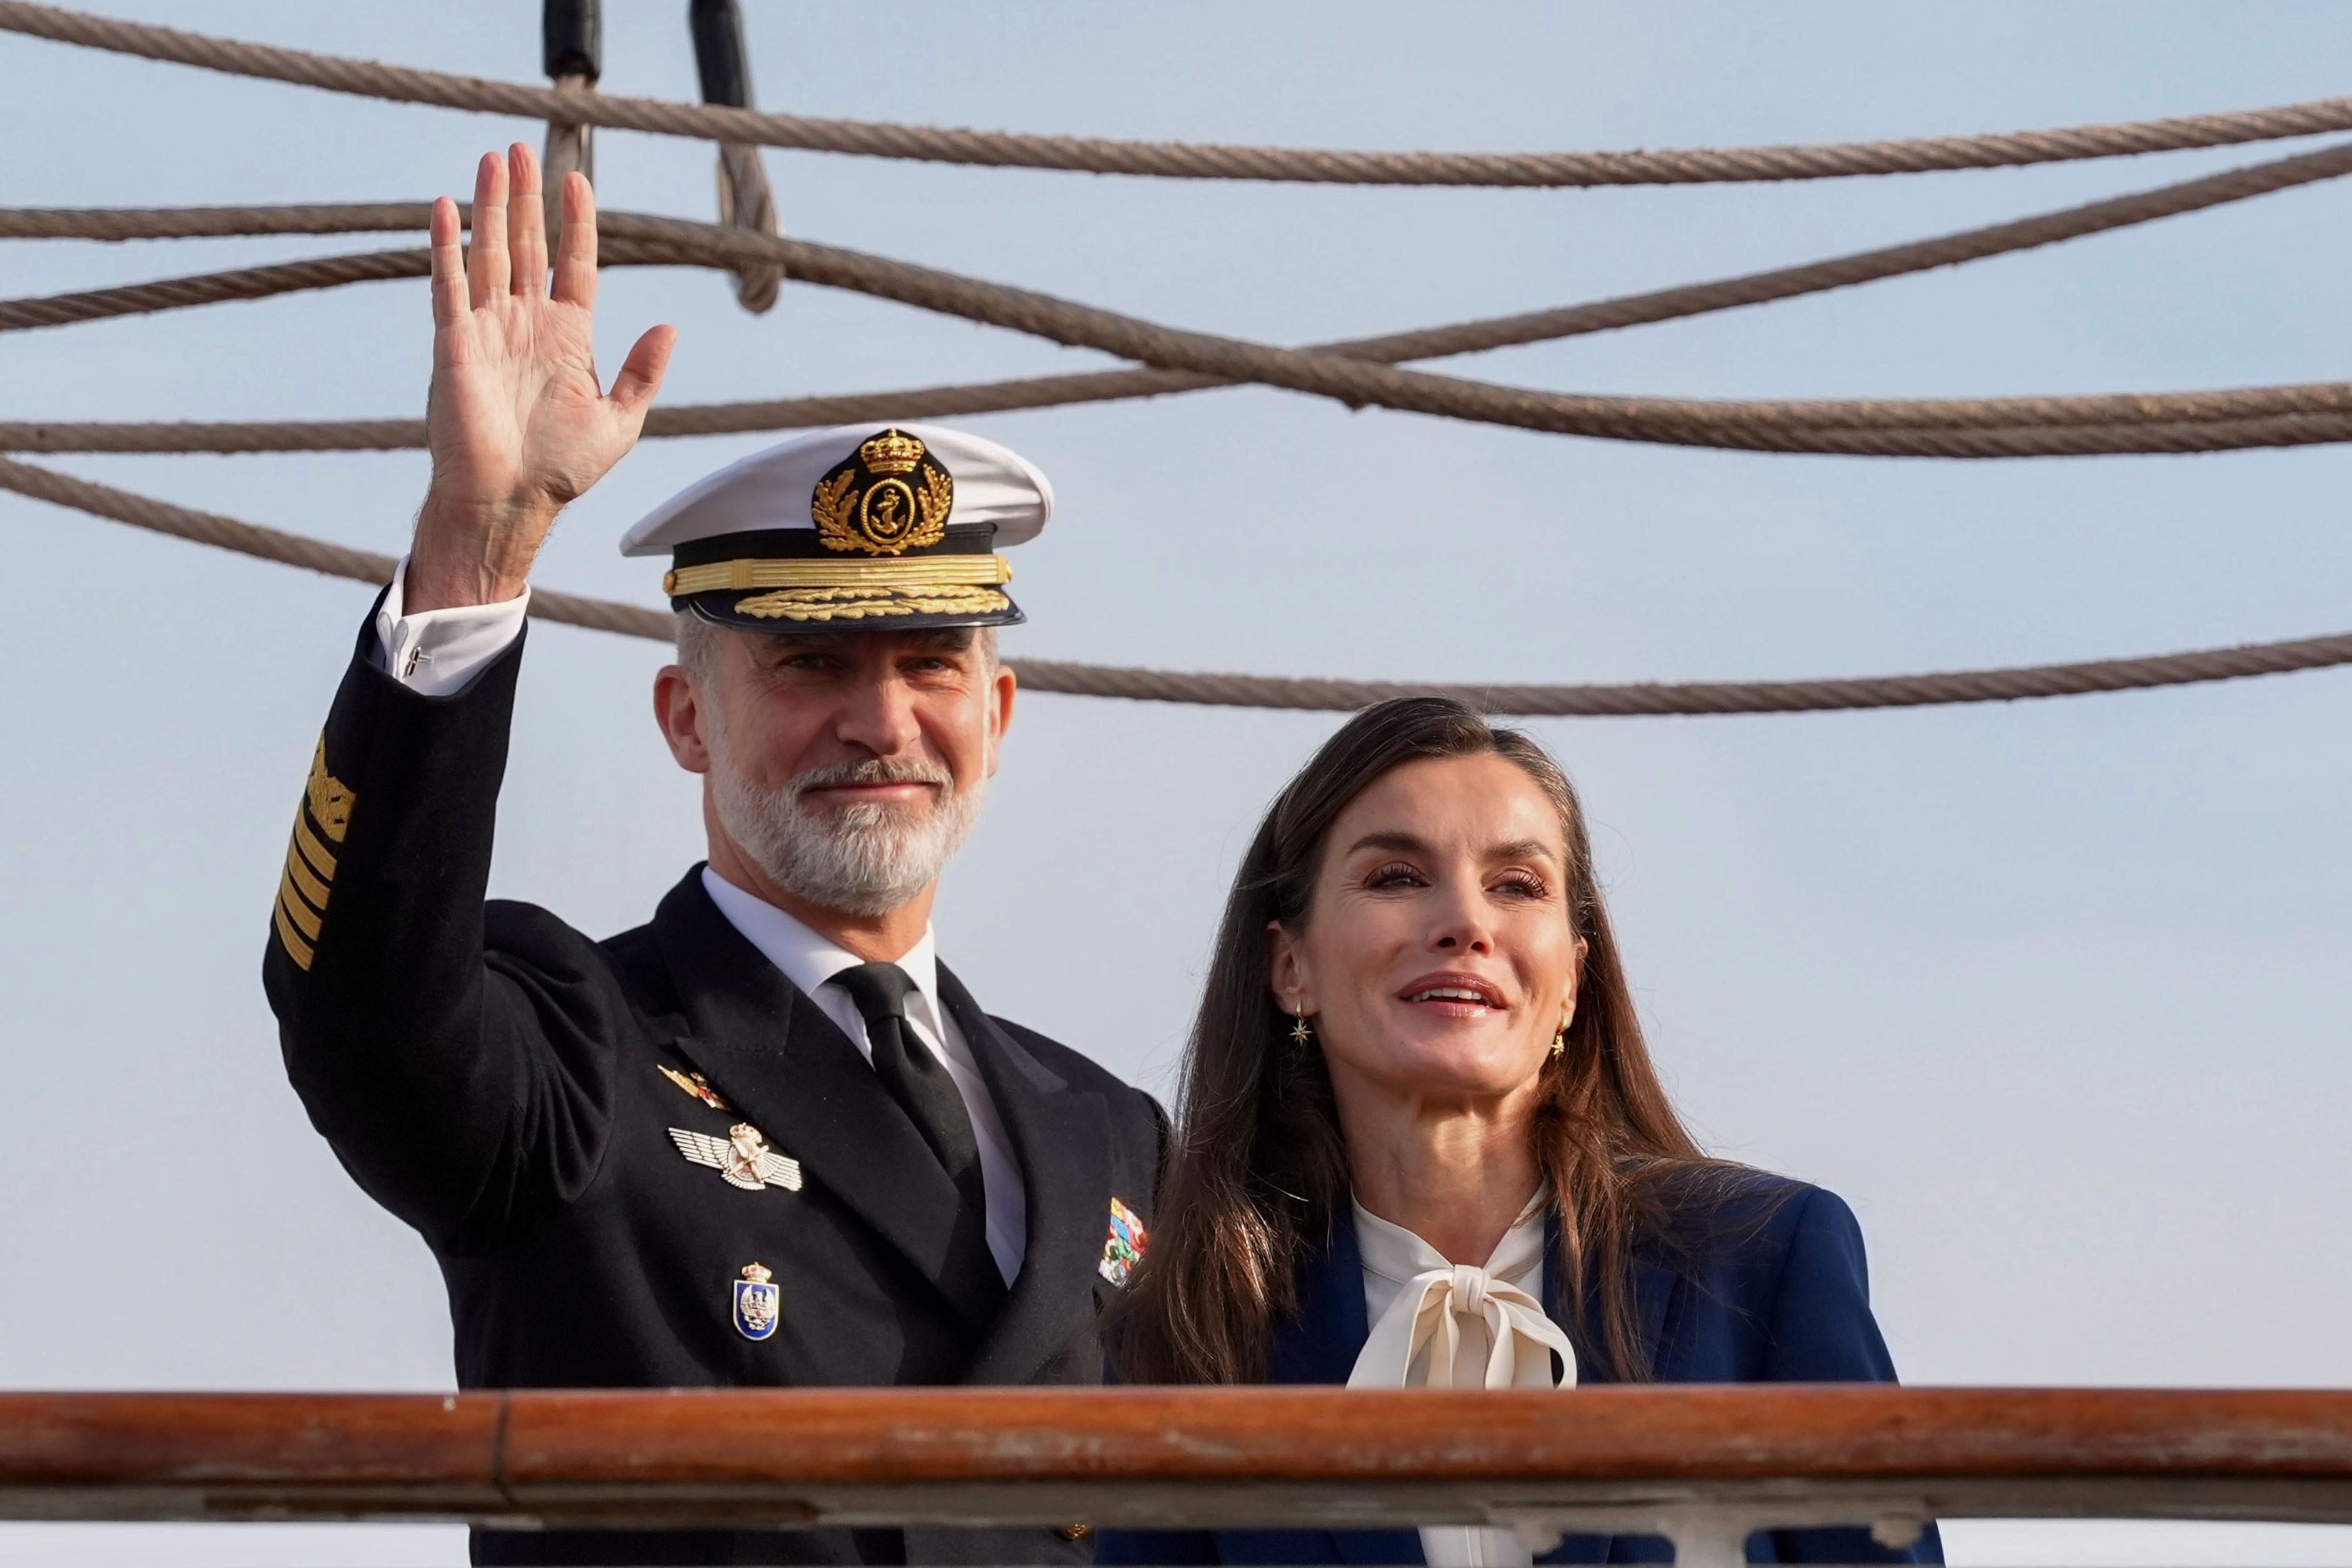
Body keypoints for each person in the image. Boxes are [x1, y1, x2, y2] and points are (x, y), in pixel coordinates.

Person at [263, 143, 1164, 1567]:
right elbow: (368, 1011)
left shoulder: (1112, 1138)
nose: (881, 720)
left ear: (993, 714)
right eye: (810, 663)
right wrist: (476, 549)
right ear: (686, 717)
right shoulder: (580, 1053)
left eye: (931, 662)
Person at [1098, 698, 1941, 1568]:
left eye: (1517, 885)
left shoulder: (1765, 1259)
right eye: (1395, 877)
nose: (1465, 924)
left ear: (1573, 980)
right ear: (1290, 968)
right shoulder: (1192, 1333)